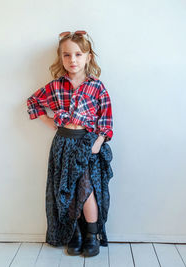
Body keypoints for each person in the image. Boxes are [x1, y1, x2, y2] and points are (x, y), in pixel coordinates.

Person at [26, 30, 114, 257]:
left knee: (86, 188)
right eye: (67, 55)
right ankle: (73, 233)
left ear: (88, 57)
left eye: (78, 54)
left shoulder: (97, 87)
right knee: (67, 190)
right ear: (61, 58)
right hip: (63, 143)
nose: (72, 60)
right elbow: (33, 102)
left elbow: (106, 119)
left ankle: (91, 235)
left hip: (86, 144)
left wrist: (99, 141)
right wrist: (50, 122)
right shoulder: (55, 86)